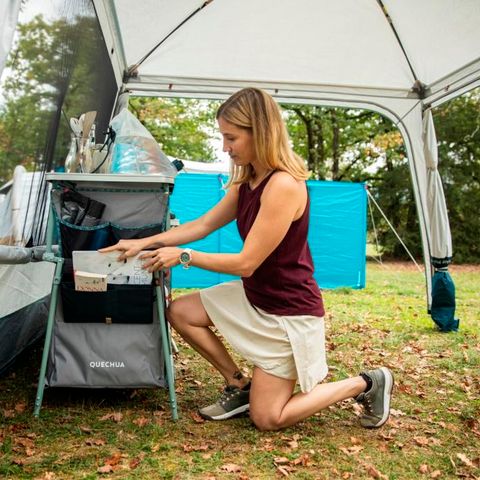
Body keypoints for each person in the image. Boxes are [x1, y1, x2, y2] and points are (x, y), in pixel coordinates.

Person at [100, 87, 394, 431]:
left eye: (231, 137)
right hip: (256, 297)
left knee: (268, 418)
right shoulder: (248, 180)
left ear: (261, 132)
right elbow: (204, 224)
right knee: (180, 311)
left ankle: (367, 382)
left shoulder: (283, 185)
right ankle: (239, 385)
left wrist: (182, 257)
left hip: (287, 313)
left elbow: (245, 264)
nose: (225, 147)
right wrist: (142, 243)